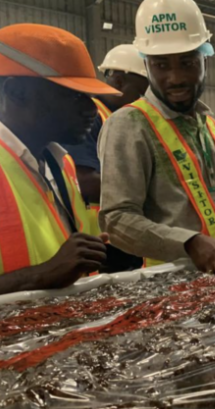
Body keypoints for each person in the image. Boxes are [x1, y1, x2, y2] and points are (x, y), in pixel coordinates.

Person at [99, 0, 215, 276]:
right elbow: (116, 220)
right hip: (170, 283)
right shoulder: (130, 125)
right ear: (146, 64)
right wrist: (190, 243)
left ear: (205, 60)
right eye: (161, 65)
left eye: (188, 63)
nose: (175, 78)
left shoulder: (211, 127)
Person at [0, 23, 121, 295]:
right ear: (16, 92)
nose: (91, 110)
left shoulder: (60, 164)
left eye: (89, 96)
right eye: (74, 95)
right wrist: (40, 276)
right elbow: (51, 269)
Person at [63, 44, 149, 272]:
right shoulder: (90, 118)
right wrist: (146, 188)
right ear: (119, 81)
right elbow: (84, 180)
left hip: (122, 234)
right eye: (141, 94)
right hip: (102, 241)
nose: (145, 103)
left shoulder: (120, 119)